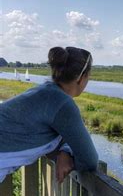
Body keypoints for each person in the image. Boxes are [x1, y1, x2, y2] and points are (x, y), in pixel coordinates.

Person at [0, 46, 98, 183]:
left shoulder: (44, 92)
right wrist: (68, 156)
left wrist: (65, 150)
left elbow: (52, 134)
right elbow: (89, 160)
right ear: (81, 78)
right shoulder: (63, 103)